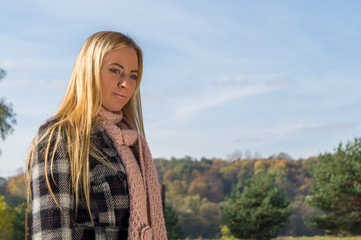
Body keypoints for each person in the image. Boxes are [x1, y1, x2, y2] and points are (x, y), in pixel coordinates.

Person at [26, 31, 167, 240]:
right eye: (115, 70)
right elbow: (51, 234)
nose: (125, 84)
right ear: (89, 70)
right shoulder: (60, 138)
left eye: (133, 76)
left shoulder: (130, 143)